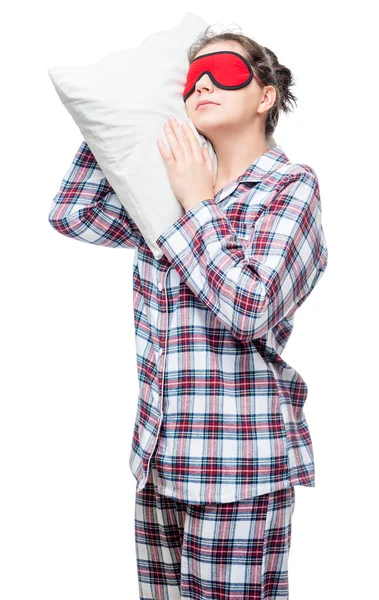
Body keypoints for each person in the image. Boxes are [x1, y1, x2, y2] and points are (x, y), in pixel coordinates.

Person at [48, 25, 328, 600]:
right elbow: (72, 212)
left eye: (223, 71)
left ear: (266, 93)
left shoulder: (290, 188)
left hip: (238, 469)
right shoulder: (161, 189)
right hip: (159, 462)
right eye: (191, 75)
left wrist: (196, 203)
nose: (203, 82)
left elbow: (250, 307)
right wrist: (130, 116)